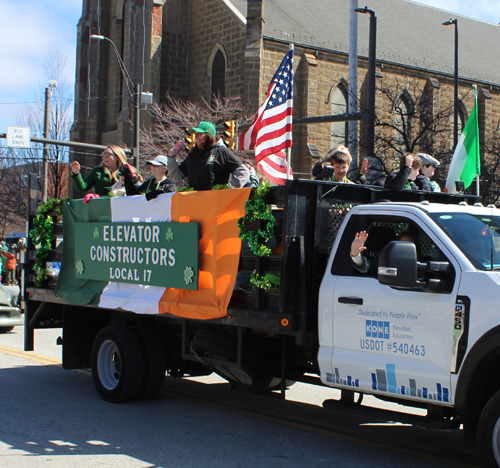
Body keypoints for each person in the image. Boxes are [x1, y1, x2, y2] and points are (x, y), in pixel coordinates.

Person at [166, 121, 250, 191]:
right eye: (195, 134)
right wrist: (171, 157)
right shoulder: (193, 154)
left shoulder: (221, 151)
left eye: (200, 133)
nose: (196, 137)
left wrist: (228, 189)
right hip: (195, 203)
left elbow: (243, 172)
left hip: (215, 204)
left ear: (209, 135)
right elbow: (177, 176)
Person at [350, 229, 416, 275]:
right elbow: (366, 266)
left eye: (409, 246)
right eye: (402, 245)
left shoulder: (420, 266)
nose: (406, 249)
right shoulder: (386, 263)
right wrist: (355, 255)